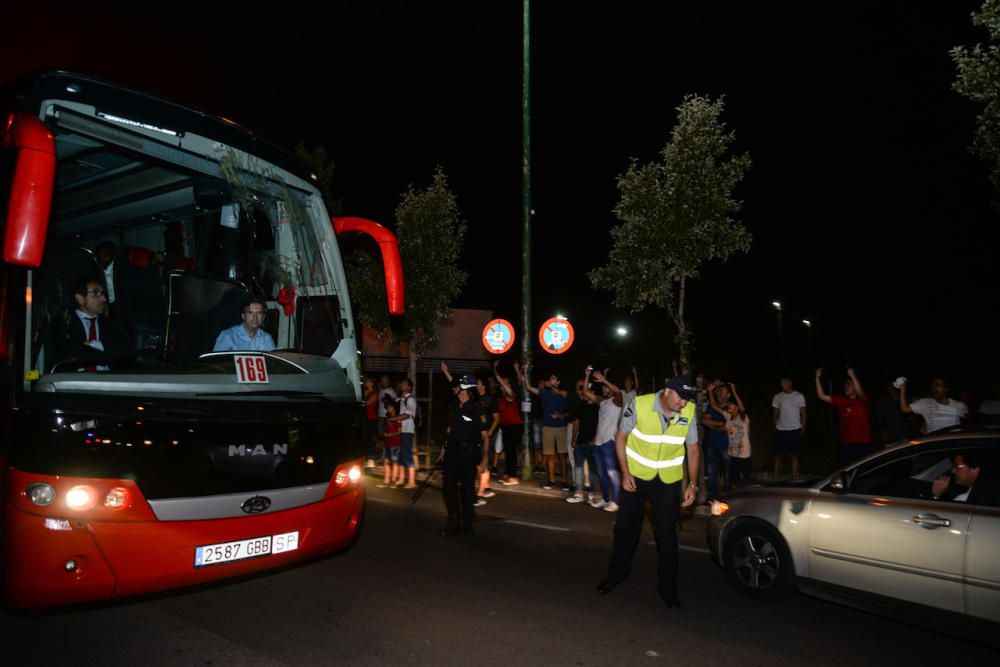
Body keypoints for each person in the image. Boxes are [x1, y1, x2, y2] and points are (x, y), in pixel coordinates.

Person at [597, 376, 701, 608]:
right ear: (666, 391)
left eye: (687, 399)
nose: (683, 403)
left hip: (667, 481)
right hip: (635, 477)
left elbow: (693, 449)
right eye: (680, 397)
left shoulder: (690, 411)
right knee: (625, 530)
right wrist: (624, 473)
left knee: (668, 536)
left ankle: (668, 588)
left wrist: (692, 484)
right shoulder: (640, 404)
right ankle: (616, 574)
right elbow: (621, 438)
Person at [442, 375, 489, 535]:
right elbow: (450, 428)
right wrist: (443, 448)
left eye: (464, 390)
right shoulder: (454, 406)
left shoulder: (477, 409)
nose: (461, 392)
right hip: (451, 452)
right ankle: (453, 520)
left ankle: (467, 524)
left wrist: (485, 458)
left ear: (469, 391)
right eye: (459, 390)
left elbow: (485, 436)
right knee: (448, 487)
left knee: (466, 490)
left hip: (468, 453)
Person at [65, 277, 129, 371]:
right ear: (80, 299)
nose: (103, 299)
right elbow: (72, 353)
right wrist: (105, 350)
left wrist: (93, 344)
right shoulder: (65, 322)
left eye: (102, 293)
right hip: (75, 381)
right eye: (96, 293)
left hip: (107, 381)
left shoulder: (110, 324)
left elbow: (124, 352)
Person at [582, 368, 623, 511]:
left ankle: (616, 502)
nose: (604, 389)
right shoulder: (602, 401)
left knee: (612, 472)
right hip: (598, 442)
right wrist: (587, 375)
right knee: (602, 474)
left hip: (609, 442)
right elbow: (586, 392)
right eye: (603, 387)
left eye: (606, 387)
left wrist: (604, 380)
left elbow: (618, 392)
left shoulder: (617, 401)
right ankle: (606, 499)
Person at [816, 367, 873, 465]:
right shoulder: (841, 401)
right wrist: (817, 378)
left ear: (855, 386)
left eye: (849, 385)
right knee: (847, 470)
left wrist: (852, 376)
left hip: (863, 443)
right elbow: (821, 396)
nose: (846, 387)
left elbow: (860, 392)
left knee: (863, 470)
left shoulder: (863, 401)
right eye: (845, 385)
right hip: (846, 444)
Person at [525, 369, 570, 490]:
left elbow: (570, 412)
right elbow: (529, 388)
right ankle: (551, 480)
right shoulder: (545, 393)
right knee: (550, 455)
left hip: (561, 427)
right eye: (550, 378)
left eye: (553, 378)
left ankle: (565, 481)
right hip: (547, 427)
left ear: (558, 381)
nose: (551, 380)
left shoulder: (563, 394)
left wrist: (560, 416)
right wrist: (525, 371)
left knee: (561, 455)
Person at [567, 367, 600, 505]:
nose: (586, 393)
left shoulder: (599, 406)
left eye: (589, 391)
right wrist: (573, 438)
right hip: (580, 442)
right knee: (578, 468)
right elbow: (576, 422)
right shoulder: (582, 405)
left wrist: (595, 439)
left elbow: (601, 424)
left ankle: (592, 495)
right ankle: (579, 493)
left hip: (591, 443)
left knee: (592, 471)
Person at [899, 377, 968, 434]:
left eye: (937, 385)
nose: (934, 388)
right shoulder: (924, 403)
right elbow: (904, 409)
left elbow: (967, 424)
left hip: (952, 445)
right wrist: (902, 389)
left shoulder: (960, 405)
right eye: (933, 385)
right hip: (933, 444)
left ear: (946, 389)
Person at [771, 375, 806, 479]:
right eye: (781, 382)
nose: (782, 384)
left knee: (795, 455)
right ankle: (776, 477)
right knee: (778, 454)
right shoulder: (777, 397)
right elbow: (774, 414)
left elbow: (804, 413)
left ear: (790, 383)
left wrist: (803, 427)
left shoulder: (799, 396)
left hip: (795, 429)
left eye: (784, 382)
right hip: (781, 429)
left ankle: (794, 477)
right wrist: (774, 426)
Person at [701, 380, 731, 501]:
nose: (718, 393)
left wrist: (713, 425)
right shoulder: (711, 407)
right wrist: (719, 424)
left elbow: (728, 426)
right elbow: (704, 421)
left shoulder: (731, 407)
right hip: (713, 444)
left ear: (728, 395)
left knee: (728, 473)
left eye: (721, 391)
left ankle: (729, 497)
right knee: (711, 473)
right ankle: (713, 498)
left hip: (727, 446)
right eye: (718, 391)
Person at [495, 361, 524, 486]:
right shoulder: (501, 398)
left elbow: (502, 381)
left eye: (506, 383)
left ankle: (513, 476)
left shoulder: (513, 395)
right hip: (506, 427)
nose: (504, 384)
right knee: (508, 451)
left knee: (512, 451)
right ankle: (508, 474)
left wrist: (496, 371)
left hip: (515, 427)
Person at [475, 375, 500, 506]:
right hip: (479, 436)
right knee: (479, 463)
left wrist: (489, 434)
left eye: (478, 384)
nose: (477, 386)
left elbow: (497, 418)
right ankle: (487, 488)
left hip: (487, 436)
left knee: (483, 464)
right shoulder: (478, 399)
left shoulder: (491, 400)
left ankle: (479, 495)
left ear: (484, 385)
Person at [722, 384, 752, 487]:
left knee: (744, 481)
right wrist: (710, 392)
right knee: (733, 481)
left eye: (732, 405)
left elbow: (743, 409)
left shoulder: (743, 418)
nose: (729, 406)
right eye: (729, 406)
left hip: (744, 454)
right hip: (733, 454)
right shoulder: (728, 417)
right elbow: (714, 406)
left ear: (737, 407)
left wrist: (734, 391)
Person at [395, 378, 418, 489]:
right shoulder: (402, 398)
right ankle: (401, 478)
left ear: (409, 387)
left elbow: (407, 415)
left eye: (404, 384)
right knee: (401, 455)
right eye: (402, 383)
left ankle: (412, 481)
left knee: (407, 455)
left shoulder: (410, 399)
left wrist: (394, 419)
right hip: (402, 430)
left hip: (408, 430)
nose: (402, 385)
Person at [376, 399, 402, 488]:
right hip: (387, 443)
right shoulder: (387, 418)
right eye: (387, 408)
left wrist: (390, 434)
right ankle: (386, 481)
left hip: (395, 444)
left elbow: (400, 431)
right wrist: (384, 437)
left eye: (390, 407)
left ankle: (393, 481)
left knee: (395, 462)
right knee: (386, 462)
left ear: (394, 408)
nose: (388, 409)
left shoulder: (397, 418)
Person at [94, 241, 118, 307]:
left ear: (113, 255)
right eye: (99, 255)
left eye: (105, 255)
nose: (102, 258)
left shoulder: (120, 270)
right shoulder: (94, 272)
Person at [364, 377, 380, 468]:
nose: (366, 382)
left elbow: (367, 403)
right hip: (367, 418)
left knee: (371, 438)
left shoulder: (375, 393)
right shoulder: (367, 392)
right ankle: (369, 458)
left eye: (367, 381)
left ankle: (372, 459)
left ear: (372, 383)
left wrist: (366, 395)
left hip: (372, 418)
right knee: (368, 438)